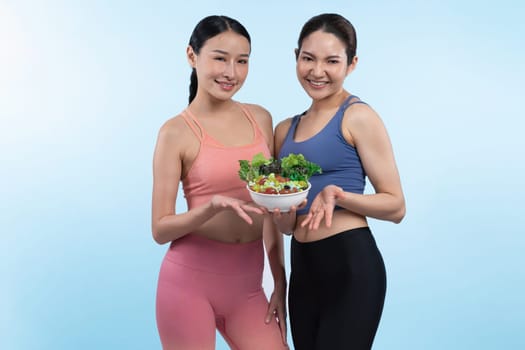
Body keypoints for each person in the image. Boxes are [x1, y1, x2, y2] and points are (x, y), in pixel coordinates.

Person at [151, 15, 288, 350]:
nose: (231, 73)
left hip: (248, 289)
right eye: (220, 58)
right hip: (188, 285)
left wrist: (280, 283)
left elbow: (270, 209)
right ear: (191, 56)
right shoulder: (176, 132)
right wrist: (210, 208)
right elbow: (160, 228)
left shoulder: (259, 118)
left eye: (242, 61)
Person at [272, 13, 406, 350]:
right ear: (296, 57)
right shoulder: (284, 130)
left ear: (351, 63)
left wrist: (339, 195)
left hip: (350, 266)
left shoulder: (358, 116)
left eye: (332, 61)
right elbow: (287, 226)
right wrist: (280, 209)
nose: (317, 71)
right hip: (303, 270)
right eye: (308, 58)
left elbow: (396, 205)